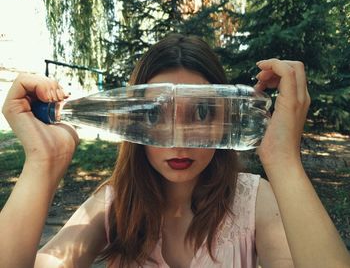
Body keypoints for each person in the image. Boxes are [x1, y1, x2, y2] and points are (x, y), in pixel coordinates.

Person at [0, 34, 349, 268]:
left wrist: (284, 161)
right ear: (131, 119)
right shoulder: (113, 205)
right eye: (155, 114)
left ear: (225, 117)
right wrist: (42, 164)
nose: (177, 140)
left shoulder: (254, 201)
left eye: (201, 112)